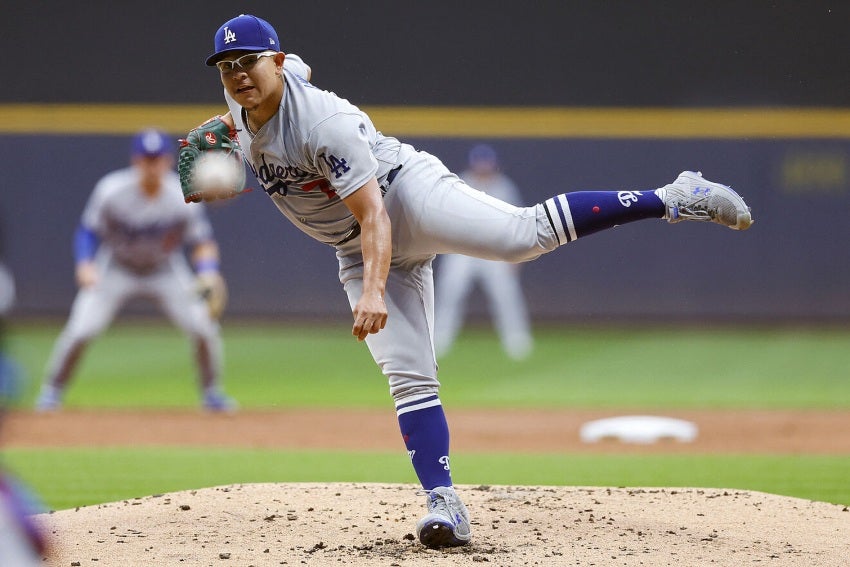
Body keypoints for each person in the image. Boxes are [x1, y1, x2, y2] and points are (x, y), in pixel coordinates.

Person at [181, 13, 753, 549]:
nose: (236, 74)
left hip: (403, 195)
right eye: (226, 66)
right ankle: (444, 503)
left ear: (275, 62)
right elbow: (250, 123)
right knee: (409, 377)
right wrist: (213, 174)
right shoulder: (241, 105)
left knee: (521, 237)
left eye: (248, 62)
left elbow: (374, 215)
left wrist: (376, 290)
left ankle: (673, 197)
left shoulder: (322, 123)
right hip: (354, 247)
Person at [35, 129, 235, 412]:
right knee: (81, 330)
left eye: (156, 159)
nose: (151, 165)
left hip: (164, 269)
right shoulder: (111, 190)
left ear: (167, 161)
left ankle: (212, 393)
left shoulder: (181, 194)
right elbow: (89, 232)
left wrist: (208, 271)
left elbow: (202, 242)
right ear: (135, 161)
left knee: (204, 328)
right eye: (145, 159)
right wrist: (85, 263)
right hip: (116, 267)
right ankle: (51, 392)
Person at [434, 144, 533, 360]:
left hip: (495, 250)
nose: (483, 167)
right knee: (449, 293)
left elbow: (518, 223)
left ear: (493, 164)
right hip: (462, 249)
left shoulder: (504, 187)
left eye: (486, 163)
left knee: (506, 296)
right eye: (479, 163)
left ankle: (517, 342)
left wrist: (517, 256)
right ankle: (439, 341)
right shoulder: (458, 182)